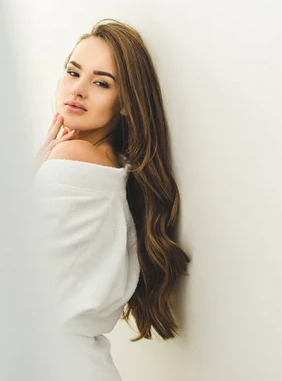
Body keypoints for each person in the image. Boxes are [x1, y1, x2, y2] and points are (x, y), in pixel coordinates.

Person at [32, 19, 191, 380]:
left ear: (127, 104)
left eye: (101, 82)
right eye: (73, 73)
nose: (78, 90)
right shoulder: (113, 166)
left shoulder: (72, 157)